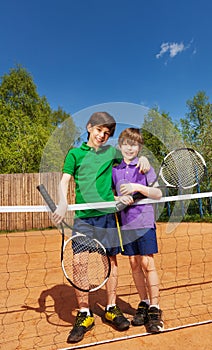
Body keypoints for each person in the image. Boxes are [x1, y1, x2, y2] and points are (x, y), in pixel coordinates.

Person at [52, 112, 150, 343]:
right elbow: (65, 180)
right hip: (84, 218)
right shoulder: (75, 154)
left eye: (107, 134)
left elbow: (130, 159)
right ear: (89, 127)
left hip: (107, 215)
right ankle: (85, 314)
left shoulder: (111, 153)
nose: (102, 136)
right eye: (99, 130)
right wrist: (63, 201)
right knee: (79, 264)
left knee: (111, 262)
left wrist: (143, 161)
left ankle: (111, 307)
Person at [112, 127, 164, 333]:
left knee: (147, 263)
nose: (130, 148)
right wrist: (118, 199)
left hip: (144, 221)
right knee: (134, 264)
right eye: (126, 143)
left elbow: (158, 193)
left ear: (139, 147)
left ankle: (155, 307)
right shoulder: (114, 170)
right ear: (120, 145)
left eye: (134, 144)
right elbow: (110, 194)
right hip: (125, 224)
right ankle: (143, 302)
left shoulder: (144, 167)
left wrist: (137, 187)